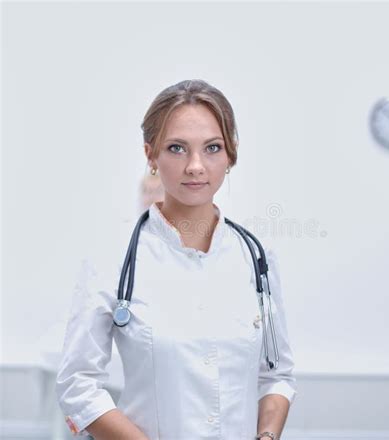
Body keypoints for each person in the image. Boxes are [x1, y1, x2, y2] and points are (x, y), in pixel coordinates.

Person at [55, 79, 297, 440]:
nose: (196, 166)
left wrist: (266, 435)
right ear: (151, 155)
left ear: (231, 155)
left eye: (213, 148)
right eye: (177, 148)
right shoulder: (113, 259)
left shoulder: (256, 258)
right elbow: (77, 385)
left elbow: (276, 375)